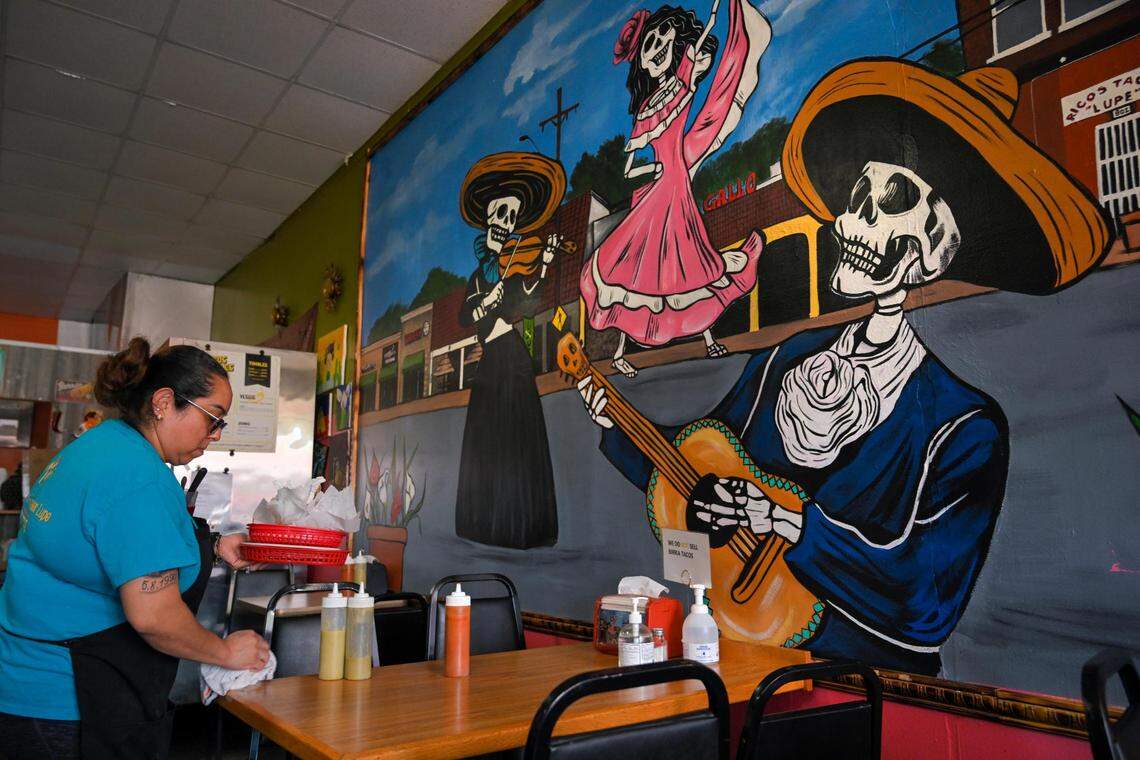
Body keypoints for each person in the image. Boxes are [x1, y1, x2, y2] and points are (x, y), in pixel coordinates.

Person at [577, 60, 1109, 674]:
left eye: (891, 204)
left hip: (866, 690)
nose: (853, 223)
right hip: (744, 658)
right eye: (858, 198)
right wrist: (616, 423)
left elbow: (923, 600)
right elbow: (696, 462)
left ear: (933, 253)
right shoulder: (790, 358)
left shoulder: (964, 427)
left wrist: (785, 519)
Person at [0, 338, 270, 759]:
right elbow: (155, 617)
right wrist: (225, 652)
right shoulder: (138, 477)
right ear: (164, 402)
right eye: (212, 419)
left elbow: (110, 541)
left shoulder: (101, 445)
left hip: (23, 677)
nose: (215, 436)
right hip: (70, 700)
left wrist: (214, 547)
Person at [579, 1, 770, 377]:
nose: (655, 52)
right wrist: (655, 169)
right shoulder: (645, 110)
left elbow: (702, 60)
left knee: (691, 261)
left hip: (677, 186)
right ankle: (620, 350)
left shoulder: (681, 82)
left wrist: (707, 39)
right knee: (637, 269)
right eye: (649, 45)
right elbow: (631, 167)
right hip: (656, 191)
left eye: (664, 43)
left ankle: (709, 338)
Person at [453, 152, 563, 549]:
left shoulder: (511, 269)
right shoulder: (481, 272)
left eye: (512, 218)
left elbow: (527, 300)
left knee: (517, 442)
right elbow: (466, 316)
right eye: (501, 213)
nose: (505, 223)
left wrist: (546, 264)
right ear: (487, 216)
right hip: (492, 360)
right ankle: (485, 523)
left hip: (512, 356)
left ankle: (520, 527)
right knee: (487, 443)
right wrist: (485, 301)